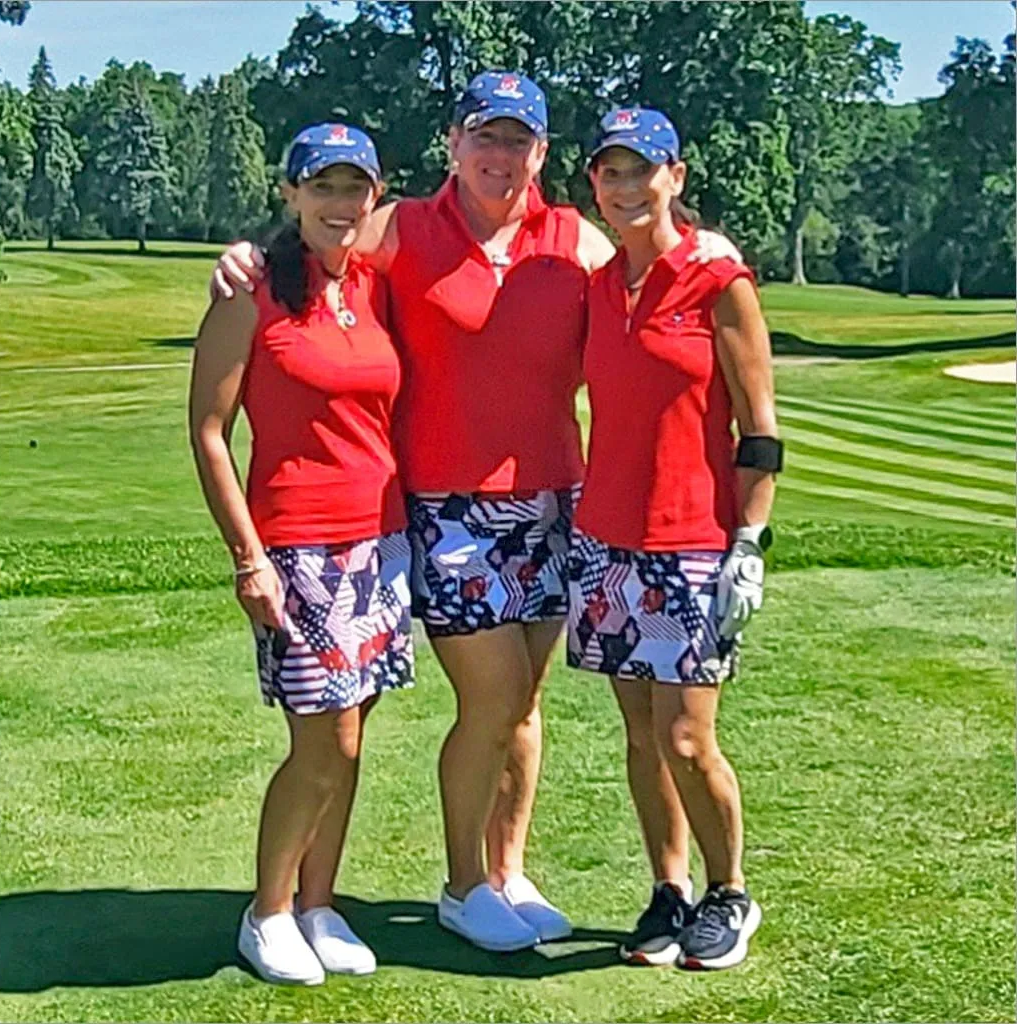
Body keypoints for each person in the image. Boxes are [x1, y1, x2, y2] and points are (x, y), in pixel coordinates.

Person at [210, 72, 741, 954]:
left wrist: (710, 243)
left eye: (519, 142)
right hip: (448, 508)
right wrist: (243, 255)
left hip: (555, 502)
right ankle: (462, 884)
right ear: (454, 144)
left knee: (525, 706)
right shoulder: (404, 227)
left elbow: (663, 265)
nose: (501, 157)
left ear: (540, 154)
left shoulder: (570, 239)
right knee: (490, 702)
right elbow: (317, 238)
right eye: (484, 138)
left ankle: (507, 869)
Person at [189, 123, 414, 984]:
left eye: (355, 188)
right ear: (289, 194)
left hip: (380, 543)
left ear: (374, 195)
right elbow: (209, 432)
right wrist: (248, 556)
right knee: (320, 741)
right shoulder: (251, 291)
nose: (339, 204)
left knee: (353, 738)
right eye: (321, 187)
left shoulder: (374, 284)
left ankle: (319, 903)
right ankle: (269, 910)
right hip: (297, 546)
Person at [568, 108, 780, 971]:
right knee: (643, 738)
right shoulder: (597, 281)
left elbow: (759, 429)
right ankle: (670, 888)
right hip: (607, 537)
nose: (626, 188)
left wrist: (751, 542)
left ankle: (732, 892)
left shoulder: (719, 278)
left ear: (676, 177)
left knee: (688, 739)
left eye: (641, 171)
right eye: (610, 173)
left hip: (694, 543)